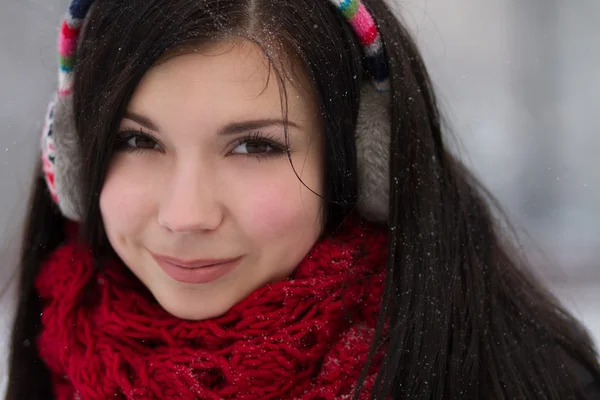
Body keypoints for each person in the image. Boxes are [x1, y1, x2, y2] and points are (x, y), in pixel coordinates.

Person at [5, 0, 600, 398]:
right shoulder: (52, 364)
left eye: (254, 147)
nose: (185, 215)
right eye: (137, 140)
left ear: (361, 164)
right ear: (75, 158)